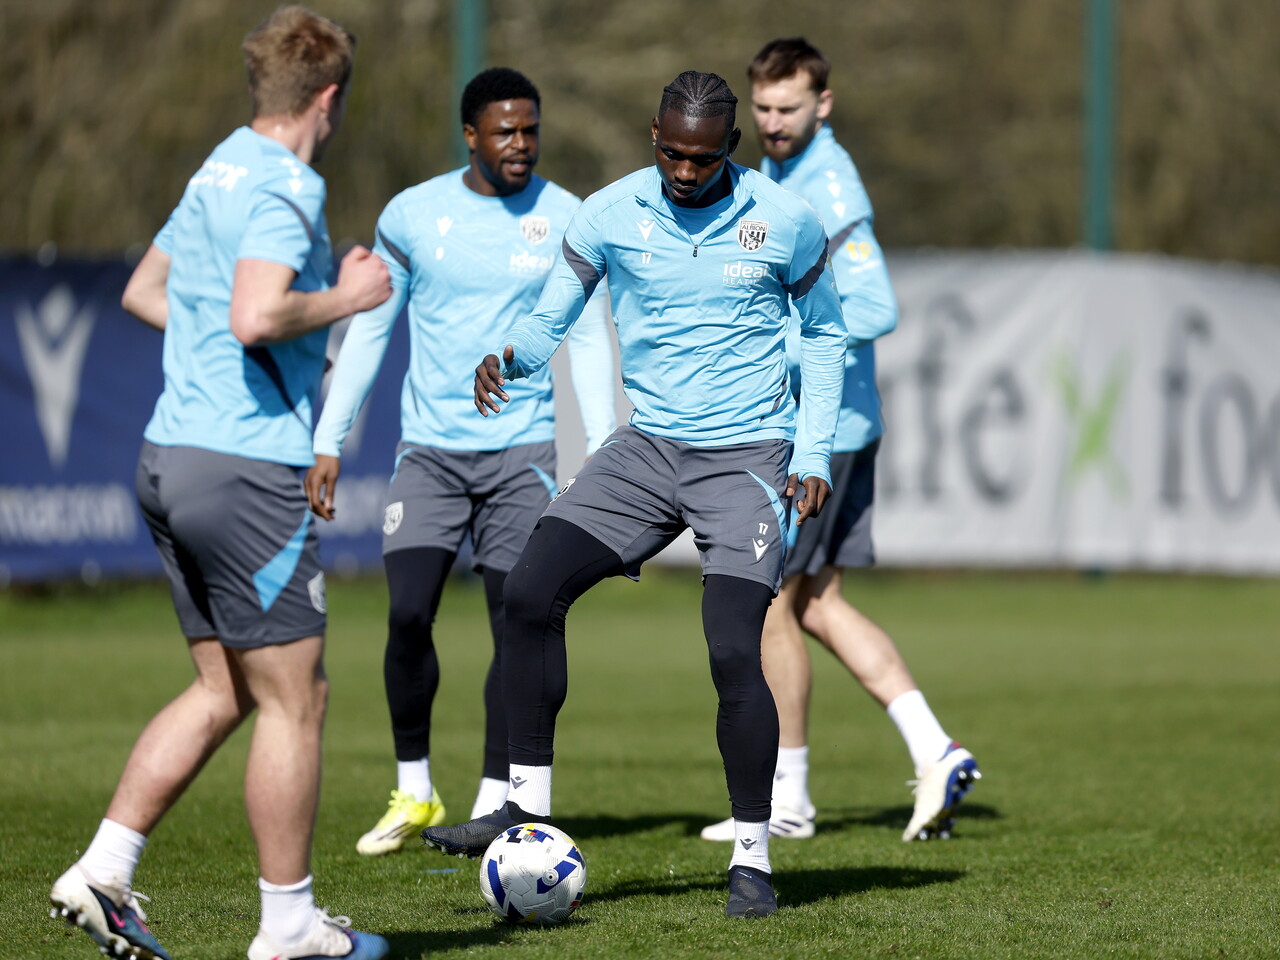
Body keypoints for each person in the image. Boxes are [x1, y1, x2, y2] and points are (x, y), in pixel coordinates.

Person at [422, 70, 848, 919]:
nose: (685, 172)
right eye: (670, 154)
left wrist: (814, 455)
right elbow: (553, 315)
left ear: (730, 146)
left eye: (703, 158)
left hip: (748, 459)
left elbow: (828, 336)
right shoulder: (608, 213)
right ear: (651, 136)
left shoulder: (787, 223)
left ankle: (753, 860)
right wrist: (509, 356)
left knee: (733, 650)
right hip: (646, 450)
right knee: (530, 590)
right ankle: (524, 809)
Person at [48, 9, 392, 960]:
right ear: (329, 97)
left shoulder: (219, 165)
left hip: (168, 457)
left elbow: (144, 292)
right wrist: (350, 299)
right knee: (297, 700)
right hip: (241, 470)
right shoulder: (285, 186)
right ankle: (288, 928)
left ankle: (102, 870)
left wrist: (231, 337)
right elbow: (256, 315)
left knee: (222, 689)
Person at [305, 67, 617, 856]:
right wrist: (328, 438)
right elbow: (373, 331)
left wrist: (605, 453)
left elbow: (584, 339)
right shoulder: (413, 215)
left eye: (532, 130)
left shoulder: (569, 218)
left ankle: (493, 798)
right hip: (431, 457)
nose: (522, 144)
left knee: (518, 621)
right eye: (506, 132)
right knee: (408, 613)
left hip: (525, 455)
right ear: (470, 135)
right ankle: (413, 790)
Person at [699, 37, 980, 846]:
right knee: (818, 603)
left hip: (823, 431)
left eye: (790, 108)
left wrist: (775, 346)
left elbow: (878, 306)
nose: (773, 123)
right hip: (838, 425)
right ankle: (936, 748)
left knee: (769, 606)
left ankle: (787, 800)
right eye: (764, 108)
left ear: (825, 104)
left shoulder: (827, 183)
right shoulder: (785, 173)